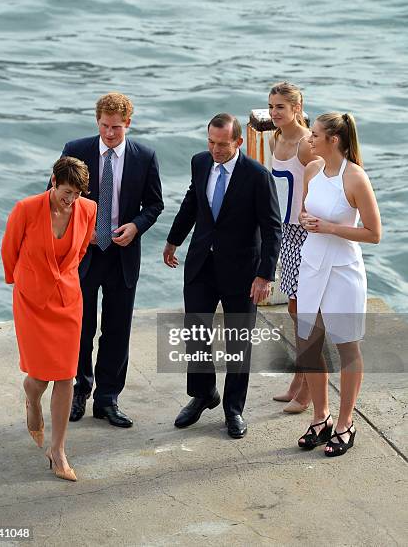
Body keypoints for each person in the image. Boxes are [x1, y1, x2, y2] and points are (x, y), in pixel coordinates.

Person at [163, 113, 282, 438]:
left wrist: (264, 275)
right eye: (211, 143)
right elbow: (192, 202)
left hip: (243, 271)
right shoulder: (200, 162)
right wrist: (174, 239)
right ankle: (204, 394)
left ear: (238, 142)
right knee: (196, 332)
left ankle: (233, 408)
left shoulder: (257, 176)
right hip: (202, 264)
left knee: (238, 343)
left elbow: (273, 229)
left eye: (222, 144)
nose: (215, 150)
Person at [57, 92, 163, 428]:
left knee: (117, 330)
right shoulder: (77, 149)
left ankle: (107, 400)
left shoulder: (144, 156)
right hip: (83, 254)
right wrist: (80, 229)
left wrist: (136, 226)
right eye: (104, 126)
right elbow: (58, 198)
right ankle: (79, 391)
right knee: (81, 329)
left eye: (116, 127)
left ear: (127, 123)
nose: (109, 133)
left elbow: (154, 205)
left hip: (122, 254)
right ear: (97, 121)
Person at [1, 157, 97, 481]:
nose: (71, 200)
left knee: (67, 375)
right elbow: (9, 250)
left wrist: (64, 279)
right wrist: (26, 283)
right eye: (67, 192)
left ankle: (58, 451)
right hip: (31, 301)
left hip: (68, 301)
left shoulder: (88, 209)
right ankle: (32, 401)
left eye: (77, 194)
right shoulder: (26, 209)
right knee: (40, 377)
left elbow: (82, 249)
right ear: (53, 182)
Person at [296, 112, 381, 456]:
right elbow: (305, 211)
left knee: (347, 346)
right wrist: (304, 219)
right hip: (312, 264)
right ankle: (321, 418)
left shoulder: (356, 178)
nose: (309, 139)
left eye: (314, 134)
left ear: (333, 140)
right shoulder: (314, 169)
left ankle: (346, 422)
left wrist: (330, 228)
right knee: (308, 343)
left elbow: (373, 234)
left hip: (343, 271)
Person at [268, 82, 319, 413]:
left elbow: (324, 181)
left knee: (305, 312)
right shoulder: (275, 138)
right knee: (293, 309)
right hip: (283, 233)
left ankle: (308, 390)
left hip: (304, 234)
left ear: (297, 109)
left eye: (280, 108)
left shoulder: (305, 144)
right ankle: (299, 380)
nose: (274, 113)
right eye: (271, 107)